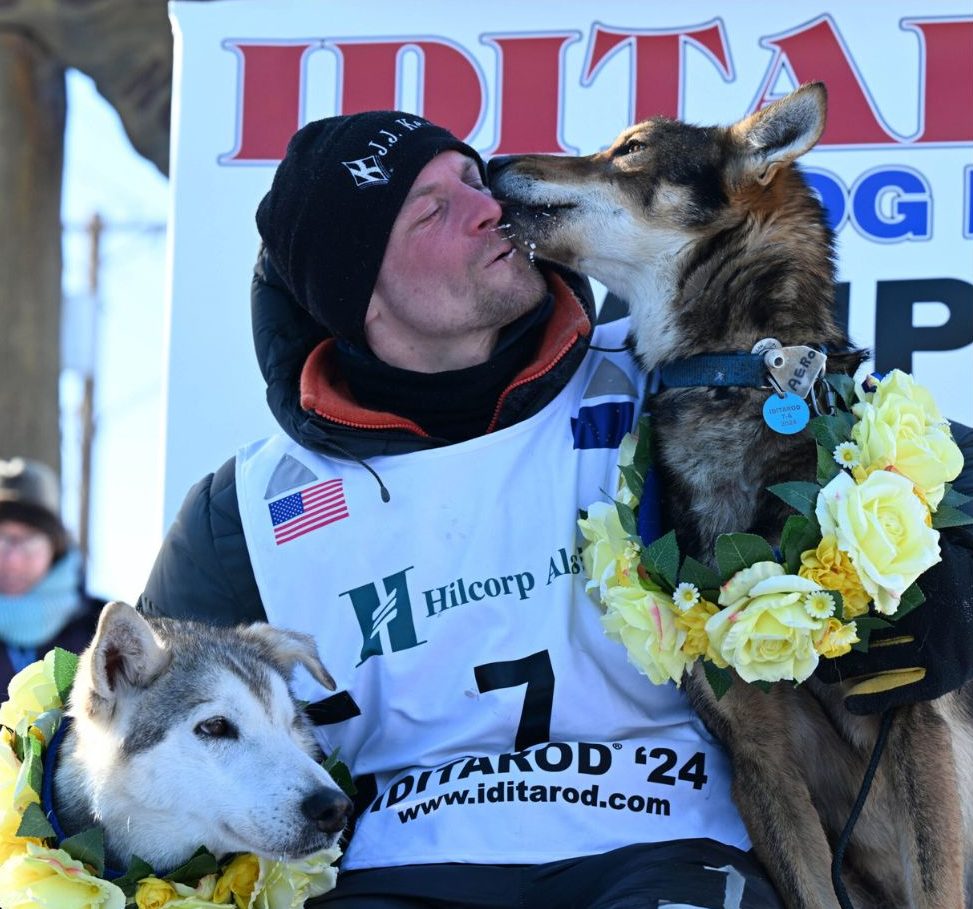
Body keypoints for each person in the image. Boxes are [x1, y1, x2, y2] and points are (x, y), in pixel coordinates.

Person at [139, 111, 973, 908]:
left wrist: (951, 588)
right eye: (433, 209)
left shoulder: (682, 379)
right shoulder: (246, 508)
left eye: (473, 178)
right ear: (361, 295)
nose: (488, 203)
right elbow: (131, 723)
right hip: (401, 863)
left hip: (665, 843)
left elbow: (923, 477)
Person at [0, 458, 101, 691]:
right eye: (3, 540)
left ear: (55, 549)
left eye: (29, 541)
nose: (14, 561)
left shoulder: (97, 630)